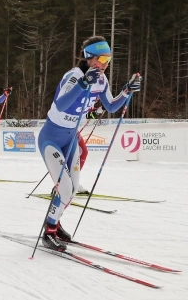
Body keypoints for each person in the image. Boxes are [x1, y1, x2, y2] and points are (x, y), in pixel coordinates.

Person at [38, 36, 141, 251]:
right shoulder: (74, 76)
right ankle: (48, 232)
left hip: (71, 138)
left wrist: (127, 90)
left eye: (108, 60)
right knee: (65, 188)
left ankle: (54, 224)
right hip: (51, 138)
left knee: (72, 189)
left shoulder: (101, 80)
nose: (104, 64)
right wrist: (84, 83)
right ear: (88, 58)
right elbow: (61, 103)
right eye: (102, 59)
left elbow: (111, 106)